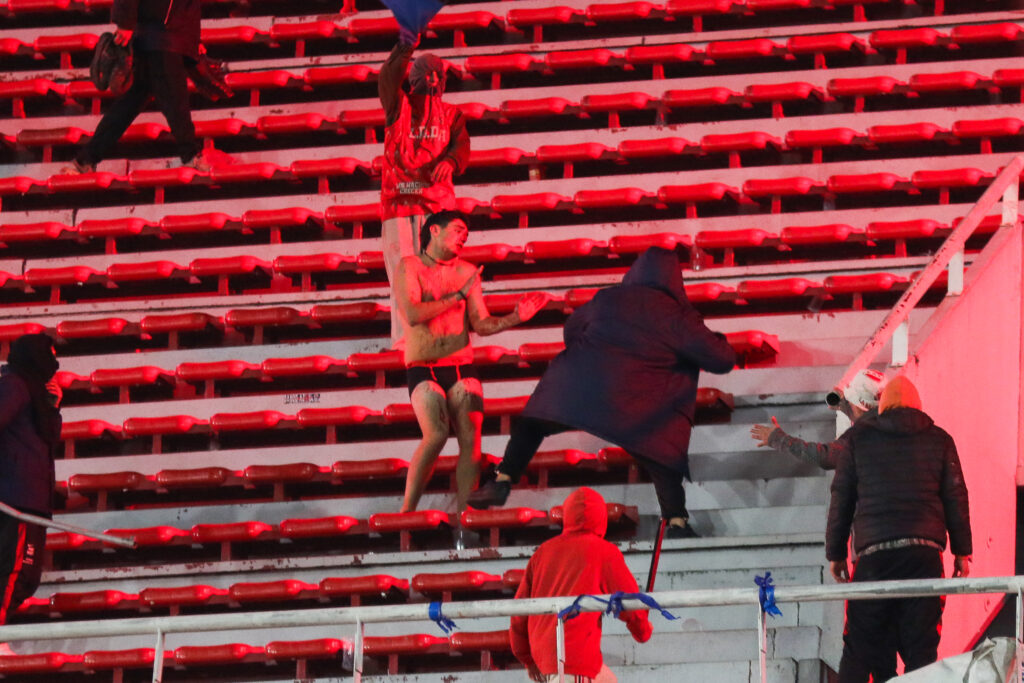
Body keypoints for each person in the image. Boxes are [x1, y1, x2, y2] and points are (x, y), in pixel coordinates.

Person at [469, 247, 737, 539]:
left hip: (577, 392)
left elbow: (572, 330)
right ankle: (676, 522)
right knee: (661, 454)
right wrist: (717, 339)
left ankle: (503, 479)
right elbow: (721, 360)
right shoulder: (678, 315)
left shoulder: (608, 298)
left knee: (532, 424)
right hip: (638, 407)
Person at [393, 210, 549, 518]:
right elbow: (412, 314)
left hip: (460, 365)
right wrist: (457, 296)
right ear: (434, 230)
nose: (463, 237)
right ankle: (407, 512)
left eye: (466, 234)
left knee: (471, 442)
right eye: (458, 230)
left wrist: (515, 317)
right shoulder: (410, 265)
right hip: (423, 365)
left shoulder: (467, 271)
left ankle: (466, 518)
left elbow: (481, 323)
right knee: (436, 435)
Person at [827, 376, 972, 683]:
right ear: (918, 406)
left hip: (874, 558)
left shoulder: (858, 439)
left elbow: (842, 497)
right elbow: (956, 495)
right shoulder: (940, 439)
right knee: (921, 653)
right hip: (924, 557)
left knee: (859, 646)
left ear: (883, 406)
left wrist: (836, 553)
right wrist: (962, 552)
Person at [379, 30, 470, 347]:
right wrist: (405, 47)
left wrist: (453, 161)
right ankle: (408, 343)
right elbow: (387, 77)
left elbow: (462, 147)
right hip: (400, 203)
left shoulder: (452, 115)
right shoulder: (399, 105)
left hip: (437, 208)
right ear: (413, 77)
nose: (432, 79)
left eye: (437, 74)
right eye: (426, 73)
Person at [510, 487, 653, 683]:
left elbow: (519, 612)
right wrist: (642, 630)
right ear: (602, 518)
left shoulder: (543, 552)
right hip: (573, 658)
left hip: (547, 658)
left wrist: (528, 659)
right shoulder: (604, 552)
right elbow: (629, 601)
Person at [65, 0, 209, 174]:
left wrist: (191, 41)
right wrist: (125, 22)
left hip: (163, 36)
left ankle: (85, 159)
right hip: (163, 37)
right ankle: (190, 155)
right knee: (175, 101)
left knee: (129, 105)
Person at [0, 334, 62, 627]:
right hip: (17, 501)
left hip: (31, 501)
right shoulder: (14, 385)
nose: (55, 366)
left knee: (25, 577)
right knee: (15, 574)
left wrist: (52, 405)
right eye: (50, 357)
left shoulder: (33, 392)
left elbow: (47, 437)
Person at [750, 369, 886, 469]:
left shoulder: (866, 436)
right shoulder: (888, 425)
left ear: (857, 406)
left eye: (850, 403)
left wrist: (779, 439)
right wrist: (845, 407)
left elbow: (823, 457)